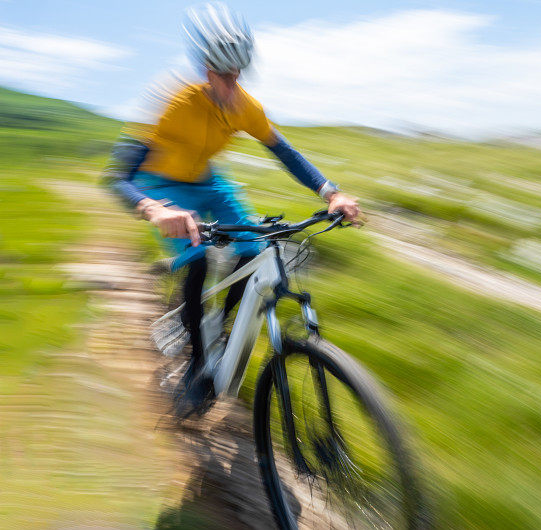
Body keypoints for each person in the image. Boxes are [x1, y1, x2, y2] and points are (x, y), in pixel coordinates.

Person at [103, 2, 360, 416]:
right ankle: (199, 366)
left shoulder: (244, 105)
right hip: (162, 184)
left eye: (237, 75)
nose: (230, 87)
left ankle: (215, 325)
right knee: (200, 255)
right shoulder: (172, 103)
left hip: (207, 179)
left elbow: (285, 152)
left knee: (252, 249)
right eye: (223, 76)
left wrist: (331, 192)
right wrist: (153, 210)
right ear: (206, 69)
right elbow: (118, 177)